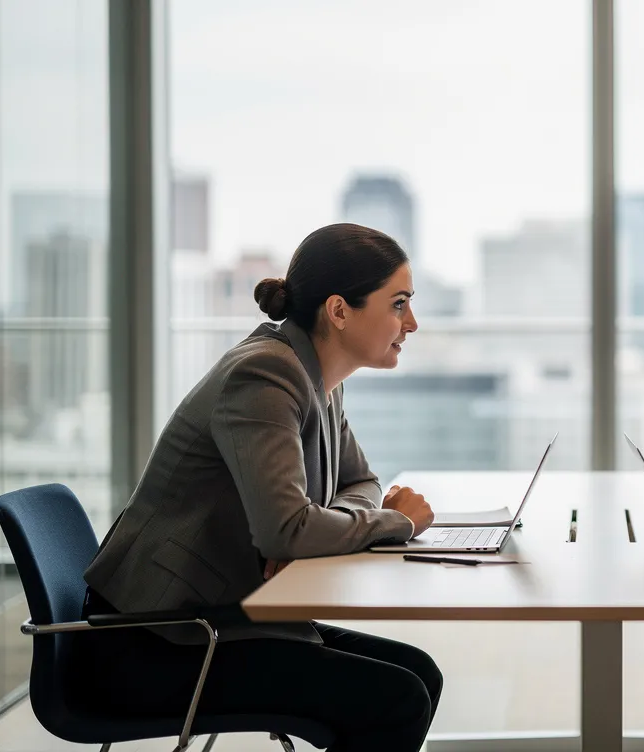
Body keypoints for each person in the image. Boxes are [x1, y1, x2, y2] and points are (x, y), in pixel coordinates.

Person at [80, 223, 441, 752]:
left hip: (216, 620)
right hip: (156, 642)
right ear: (339, 311)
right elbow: (287, 532)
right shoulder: (266, 376)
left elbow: (359, 481)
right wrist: (398, 522)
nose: (412, 322)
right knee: (398, 697)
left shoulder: (317, 377)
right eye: (399, 304)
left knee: (418, 674)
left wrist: (318, 529)